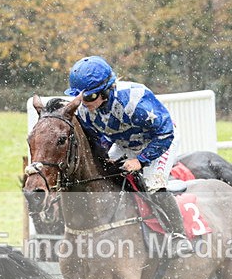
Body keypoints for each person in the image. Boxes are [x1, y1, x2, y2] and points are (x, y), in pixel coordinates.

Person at [64, 56, 192, 254]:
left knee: (153, 184)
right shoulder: (85, 110)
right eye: (80, 97)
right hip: (125, 142)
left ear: (106, 91)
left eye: (88, 97)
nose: (84, 103)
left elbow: (165, 133)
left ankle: (178, 236)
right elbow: (99, 138)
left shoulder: (136, 101)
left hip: (159, 140)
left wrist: (140, 161)